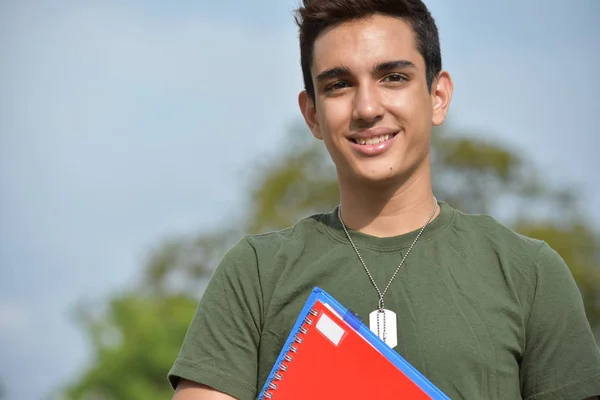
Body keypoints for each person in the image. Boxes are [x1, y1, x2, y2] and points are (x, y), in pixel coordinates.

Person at [168, 0, 600, 399]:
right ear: (313, 114)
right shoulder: (255, 275)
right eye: (338, 84)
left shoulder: (529, 274)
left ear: (437, 95)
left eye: (393, 77)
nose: (367, 107)